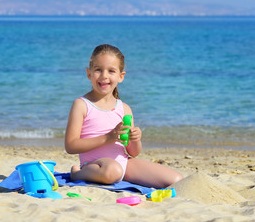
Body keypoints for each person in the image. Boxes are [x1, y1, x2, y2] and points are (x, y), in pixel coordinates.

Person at [64, 44, 183, 189]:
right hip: (95, 167)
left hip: (124, 165)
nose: (104, 76)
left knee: (177, 180)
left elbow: (133, 152)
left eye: (111, 71)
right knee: (112, 170)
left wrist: (135, 139)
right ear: (89, 74)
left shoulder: (124, 109)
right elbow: (71, 146)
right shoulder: (82, 105)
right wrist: (108, 138)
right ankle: (77, 174)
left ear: (121, 76)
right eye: (98, 70)